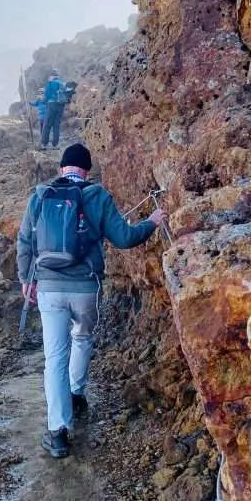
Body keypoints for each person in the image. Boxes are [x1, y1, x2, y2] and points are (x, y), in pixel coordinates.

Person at [16, 143, 167, 459]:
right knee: (82, 338)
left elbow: (25, 242)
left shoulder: (41, 195)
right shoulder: (97, 195)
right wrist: (152, 220)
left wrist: (25, 280)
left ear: (61, 169)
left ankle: (58, 433)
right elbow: (125, 238)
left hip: (49, 288)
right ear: (86, 170)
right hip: (86, 287)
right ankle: (77, 392)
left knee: (54, 356)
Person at [41, 69, 67, 149]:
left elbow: (46, 95)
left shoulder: (50, 83)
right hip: (61, 106)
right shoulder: (63, 84)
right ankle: (55, 145)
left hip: (51, 105)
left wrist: (43, 102)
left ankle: (44, 144)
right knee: (56, 126)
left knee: (47, 125)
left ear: (51, 76)